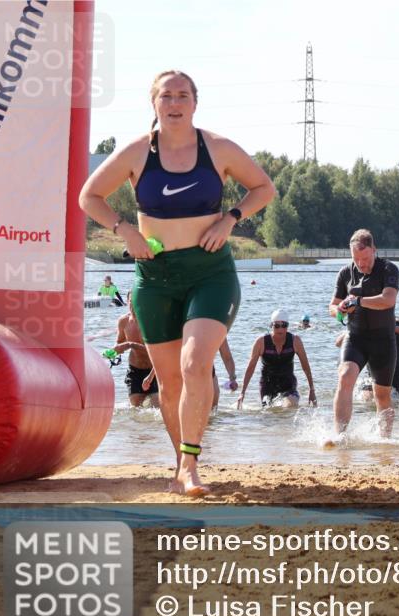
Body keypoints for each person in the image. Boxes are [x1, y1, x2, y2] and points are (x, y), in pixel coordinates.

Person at [79, 70, 276, 496]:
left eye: (182, 95)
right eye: (166, 95)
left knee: (193, 363)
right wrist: (124, 230)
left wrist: (231, 218)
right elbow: (88, 196)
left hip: (210, 273)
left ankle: (189, 464)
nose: (174, 102)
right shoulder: (136, 152)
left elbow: (263, 187)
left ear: (194, 103)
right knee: (168, 381)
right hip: (154, 278)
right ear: (154, 103)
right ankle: (181, 465)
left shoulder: (217, 148)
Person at [330, 229, 399, 438]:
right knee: (345, 376)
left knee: (382, 396)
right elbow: (332, 307)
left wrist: (359, 301)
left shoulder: (388, 269)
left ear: (374, 250)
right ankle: (340, 436)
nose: (361, 264)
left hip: (383, 340)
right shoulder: (345, 273)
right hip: (356, 337)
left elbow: (388, 300)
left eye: (365, 258)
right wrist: (341, 309)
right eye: (356, 259)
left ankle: (384, 441)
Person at [236, 309, 316, 409]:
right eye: (277, 326)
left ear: (288, 326)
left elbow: (306, 366)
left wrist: (312, 390)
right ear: (271, 326)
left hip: (288, 385)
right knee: (270, 414)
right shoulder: (261, 342)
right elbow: (250, 368)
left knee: (291, 405)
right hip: (267, 386)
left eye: (284, 325)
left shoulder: (295, 341)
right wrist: (242, 393)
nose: (280, 329)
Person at [114, 293, 159, 407]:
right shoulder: (123, 321)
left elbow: (156, 350)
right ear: (127, 301)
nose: (133, 305)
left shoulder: (152, 321)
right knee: (136, 409)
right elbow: (119, 341)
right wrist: (115, 352)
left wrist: (131, 345)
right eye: (131, 301)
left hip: (153, 369)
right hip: (135, 370)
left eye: (136, 301)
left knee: (156, 408)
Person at [211, 338, 238, 412]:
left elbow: (227, 357)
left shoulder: (217, 329)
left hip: (209, 373)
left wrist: (232, 378)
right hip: (186, 373)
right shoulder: (186, 327)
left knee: (212, 412)